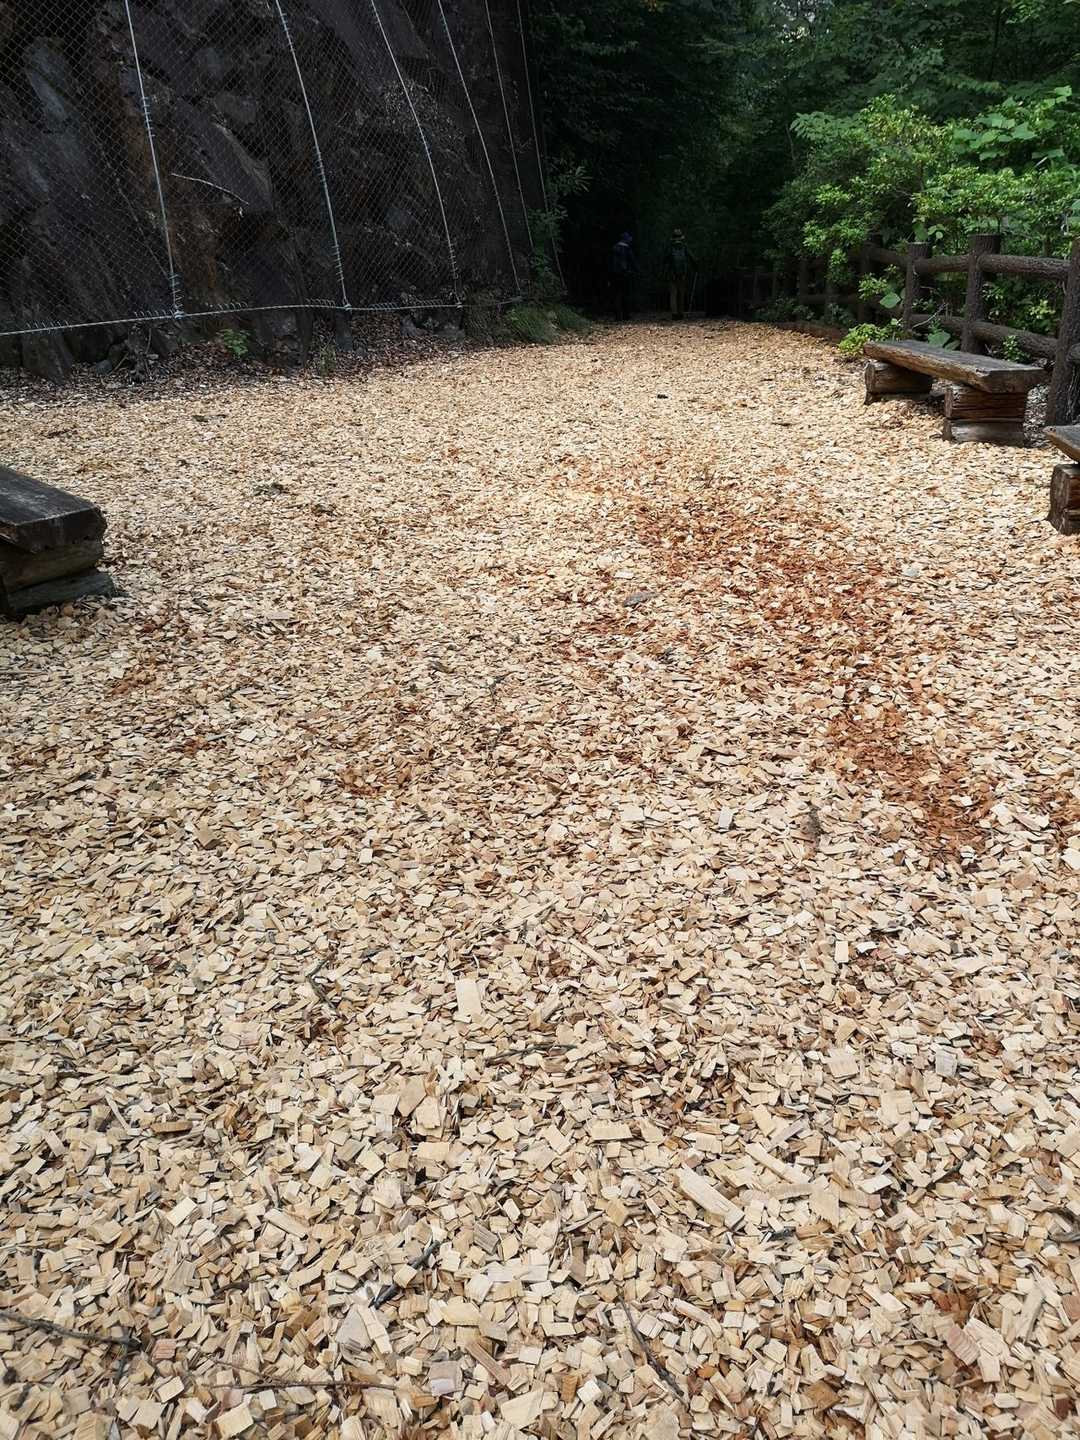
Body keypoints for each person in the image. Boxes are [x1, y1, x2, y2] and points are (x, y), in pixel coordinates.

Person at [665, 228, 697, 320]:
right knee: (681, 293)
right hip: (682, 273)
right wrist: (696, 265)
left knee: (673, 293)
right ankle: (680, 313)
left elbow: (665, 259)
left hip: (671, 273)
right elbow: (691, 257)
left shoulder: (670, 247)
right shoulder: (684, 246)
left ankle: (674, 313)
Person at [610, 232, 637, 321]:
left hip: (614, 274)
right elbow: (632, 261)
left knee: (616, 295)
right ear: (626, 239)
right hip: (625, 274)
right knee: (626, 294)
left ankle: (617, 316)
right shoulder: (627, 249)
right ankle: (626, 315)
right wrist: (637, 271)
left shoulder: (614, 248)